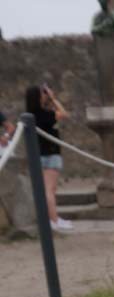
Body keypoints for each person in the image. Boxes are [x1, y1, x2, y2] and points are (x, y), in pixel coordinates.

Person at [25, 84, 72, 232]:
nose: (45, 95)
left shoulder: (30, 116)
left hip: (39, 155)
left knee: (48, 189)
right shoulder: (44, 115)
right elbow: (64, 114)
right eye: (43, 94)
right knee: (49, 190)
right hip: (51, 154)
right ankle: (54, 221)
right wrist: (53, 99)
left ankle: (53, 218)